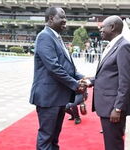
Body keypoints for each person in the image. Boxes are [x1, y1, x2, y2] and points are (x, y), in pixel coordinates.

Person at [29, 7, 86, 150]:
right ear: (51, 19)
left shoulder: (56, 37)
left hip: (58, 97)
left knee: (54, 137)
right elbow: (54, 67)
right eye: (62, 17)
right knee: (46, 137)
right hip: (48, 98)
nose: (65, 20)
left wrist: (83, 78)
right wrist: (75, 84)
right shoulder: (45, 36)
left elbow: (67, 66)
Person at [83, 15, 130, 150]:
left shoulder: (124, 47)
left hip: (113, 106)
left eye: (102, 28)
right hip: (107, 105)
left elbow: (126, 81)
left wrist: (118, 108)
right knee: (110, 143)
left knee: (114, 145)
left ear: (112, 27)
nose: (100, 30)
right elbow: (109, 75)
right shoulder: (112, 46)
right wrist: (90, 81)